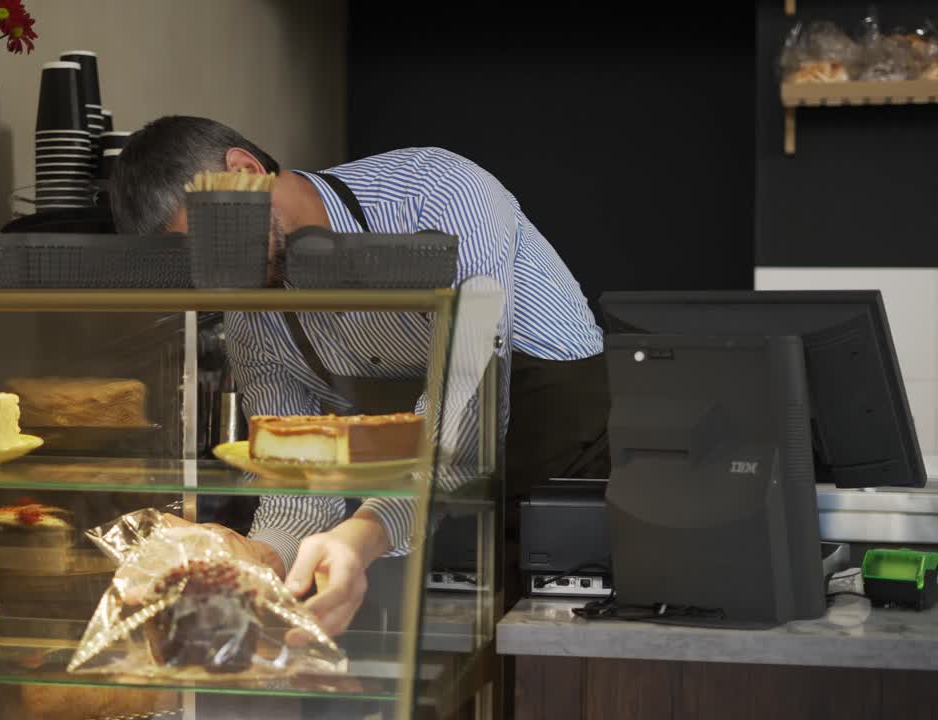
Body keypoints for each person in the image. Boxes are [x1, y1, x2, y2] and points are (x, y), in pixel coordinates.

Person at [111, 116, 608, 636]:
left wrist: (365, 533)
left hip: (564, 488)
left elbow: (467, 412)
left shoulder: (437, 193)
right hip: (419, 521)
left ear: (244, 171)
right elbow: (295, 481)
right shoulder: (250, 308)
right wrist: (259, 559)